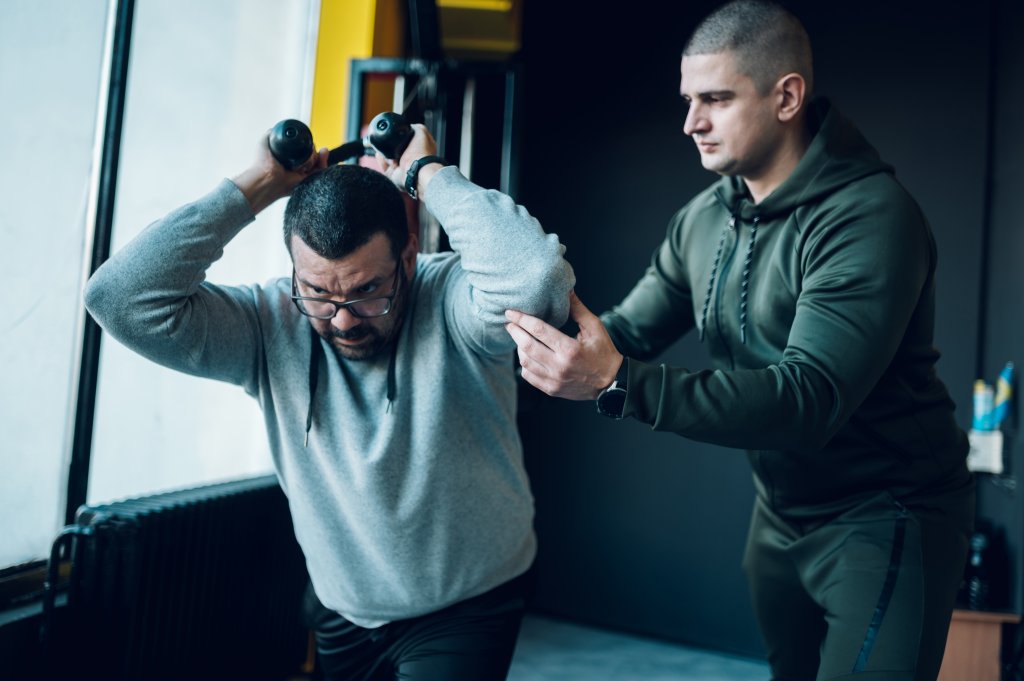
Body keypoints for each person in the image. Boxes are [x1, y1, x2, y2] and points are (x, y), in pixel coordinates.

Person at [504, 1, 974, 679]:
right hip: (779, 513)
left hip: (888, 512)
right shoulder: (704, 217)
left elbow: (807, 398)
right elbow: (627, 331)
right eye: (689, 99)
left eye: (716, 99)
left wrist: (618, 383)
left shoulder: (869, 217)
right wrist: (512, 348)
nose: (691, 122)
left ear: (787, 96)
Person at [84, 123, 574, 680]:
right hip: (345, 606)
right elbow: (118, 298)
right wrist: (260, 184)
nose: (342, 319)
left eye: (367, 291)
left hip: (467, 600)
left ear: (408, 258)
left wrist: (427, 175)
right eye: (318, 292)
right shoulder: (265, 324)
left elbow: (535, 277)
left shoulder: (455, 300)